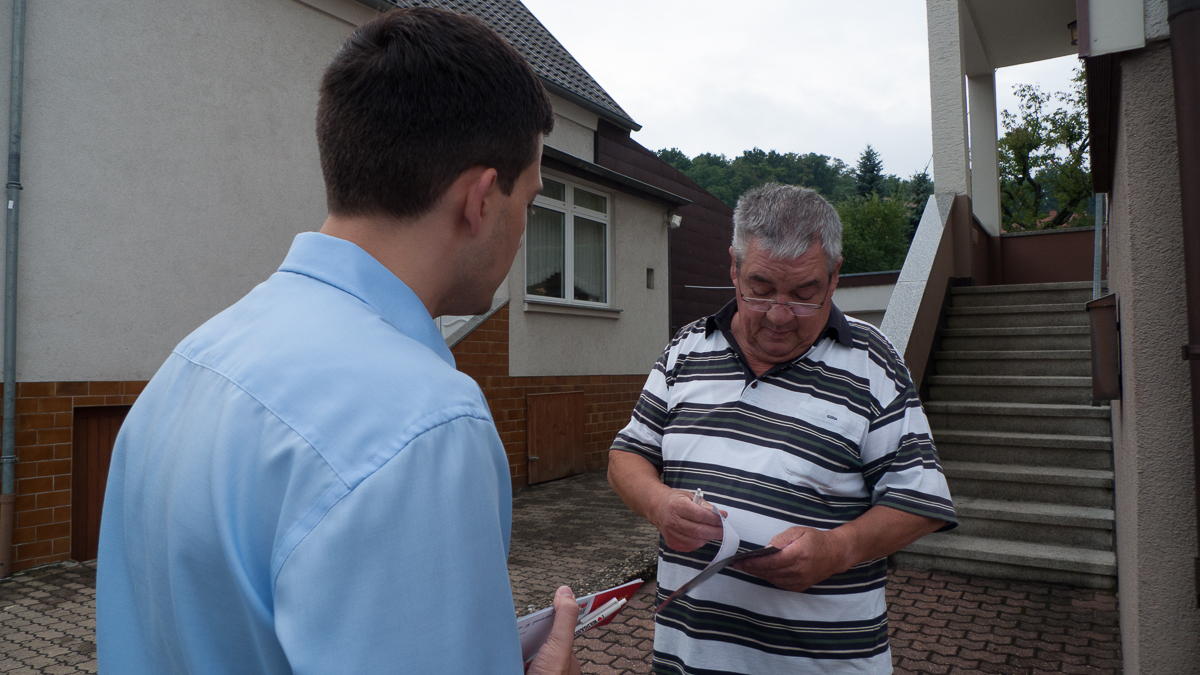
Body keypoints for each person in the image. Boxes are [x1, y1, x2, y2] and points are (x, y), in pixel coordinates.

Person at [96, 9, 582, 675]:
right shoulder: (424, 426)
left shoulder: (187, 366)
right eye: (529, 199)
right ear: (482, 198)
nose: (524, 232)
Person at [608, 183, 957, 674]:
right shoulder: (687, 349)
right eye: (761, 288)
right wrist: (657, 503)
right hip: (686, 661)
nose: (777, 315)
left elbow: (920, 502)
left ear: (834, 277)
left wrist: (837, 549)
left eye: (803, 295)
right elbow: (627, 455)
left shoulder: (873, 363)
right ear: (733, 267)